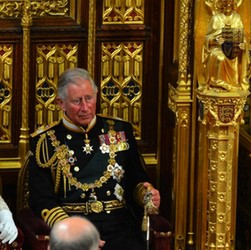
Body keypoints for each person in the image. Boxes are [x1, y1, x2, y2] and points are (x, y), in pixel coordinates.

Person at [28, 67, 161, 250]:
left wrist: (147, 195)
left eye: (89, 98)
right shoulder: (44, 141)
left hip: (118, 227)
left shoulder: (120, 130)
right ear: (60, 103)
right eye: (77, 101)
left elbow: (135, 180)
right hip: (73, 226)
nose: (85, 107)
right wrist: (75, 232)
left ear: (96, 96)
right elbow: (41, 199)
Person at [200, 0, 249, 91]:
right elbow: (207, 38)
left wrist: (243, 44)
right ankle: (217, 83)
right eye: (225, 4)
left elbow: (242, 36)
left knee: (233, 57)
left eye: (230, 4)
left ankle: (233, 84)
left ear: (234, 5)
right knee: (220, 57)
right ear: (221, 5)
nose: (228, 6)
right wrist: (215, 40)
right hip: (217, 48)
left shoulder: (237, 18)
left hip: (233, 48)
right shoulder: (216, 18)